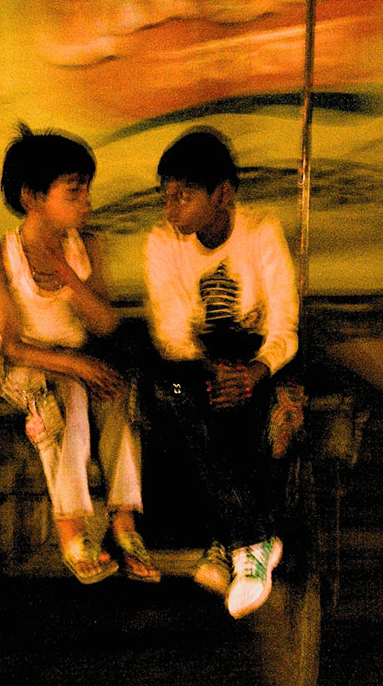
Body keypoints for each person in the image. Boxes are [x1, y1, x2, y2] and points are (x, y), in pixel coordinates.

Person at [0, 126, 159, 585]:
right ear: (32, 197)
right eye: (74, 193)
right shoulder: (0, 257)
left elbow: (104, 324)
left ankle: (124, 524)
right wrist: (77, 365)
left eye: (86, 192)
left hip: (74, 355)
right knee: (72, 403)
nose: (87, 204)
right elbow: (15, 345)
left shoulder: (87, 247)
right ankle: (71, 529)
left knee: (119, 396)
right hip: (20, 363)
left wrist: (68, 275)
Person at [144, 127, 303, 618]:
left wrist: (253, 372)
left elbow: (285, 323)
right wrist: (216, 372)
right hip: (198, 364)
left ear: (223, 194)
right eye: (166, 195)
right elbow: (172, 331)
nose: (171, 209)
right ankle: (251, 542)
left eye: (184, 195)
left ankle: (223, 543)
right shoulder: (162, 242)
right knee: (174, 393)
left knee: (254, 411)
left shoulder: (260, 233)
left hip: (258, 359)